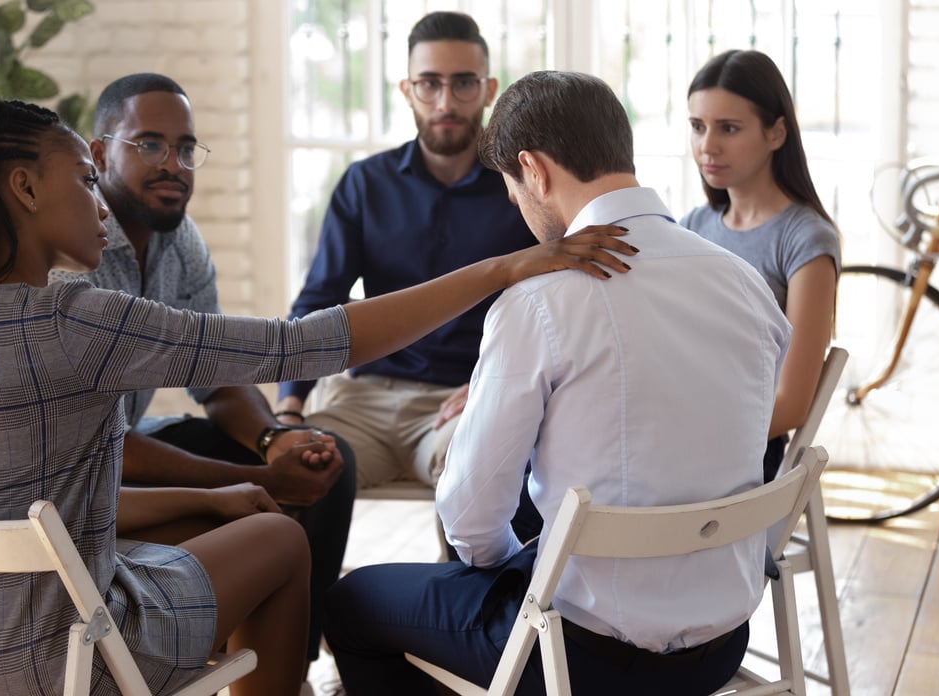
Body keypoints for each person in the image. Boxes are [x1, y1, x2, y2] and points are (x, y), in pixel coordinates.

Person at [0, 73, 633, 696]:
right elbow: (305, 342)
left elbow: (30, 508)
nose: (97, 200)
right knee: (283, 545)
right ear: (25, 187)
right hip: (62, 656)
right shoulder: (74, 319)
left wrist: (213, 491)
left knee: (228, 521)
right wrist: (503, 269)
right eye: (83, 178)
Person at [323, 70, 792, 696]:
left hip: (579, 658)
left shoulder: (541, 302)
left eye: (512, 188)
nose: (516, 205)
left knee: (352, 605)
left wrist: (502, 569)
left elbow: (468, 518)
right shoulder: (744, 283)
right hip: (722, 640)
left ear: (534, 170)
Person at [48, 72, 356, 665]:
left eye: (186, 148)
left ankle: (283, 662)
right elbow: (105, 444)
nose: (174, 163)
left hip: (128, 449)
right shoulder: (72, 255)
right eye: (150, 144)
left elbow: (216, 377)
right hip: (86, 476)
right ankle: (215, 648)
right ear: (99, 152)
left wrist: (274, 442)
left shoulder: (180, 240)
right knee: (268, 498)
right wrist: (258, 481)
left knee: (325, 461)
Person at [275, 11, 540, 494]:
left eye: (463, 83)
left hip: (466, 399)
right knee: (300, 472)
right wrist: (290, 404)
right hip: (363, 400)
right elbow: (319, 298)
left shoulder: (523, 189)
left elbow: (554, 304)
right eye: (429, 84)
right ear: (406, 90)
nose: (446, 101)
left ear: (488, 89)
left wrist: (502, 384)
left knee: (480, 473)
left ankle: (463, 575)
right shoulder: (364, 184)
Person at [681, 49, 840, 482]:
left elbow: (791, 401)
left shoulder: (805, 239)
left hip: (742, 452)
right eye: (698, 127)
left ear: (776, 133)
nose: (707, 146)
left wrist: (688, 438)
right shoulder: (692, 225)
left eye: (728, 129)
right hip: (673, 428)